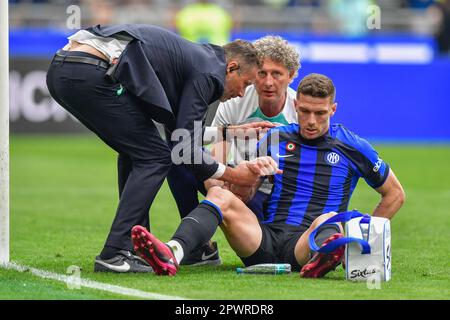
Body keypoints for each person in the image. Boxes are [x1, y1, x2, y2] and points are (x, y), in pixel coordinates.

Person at [131, 73, 406, 277]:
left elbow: (394, 194)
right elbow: (244, 196)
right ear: (296, 106)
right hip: (263, 240)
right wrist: (249, 174)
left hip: (306, 241)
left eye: (320, 113)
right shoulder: (274, 137)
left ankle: (324, 254)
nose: (311, 121)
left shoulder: (352, 146)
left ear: (333, 110)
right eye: (306, 111)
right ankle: (172, 252)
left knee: (330, 220)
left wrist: (365, 239)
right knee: (219, 194)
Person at [46, 24, 264, 273]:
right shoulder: (210, 73)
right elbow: (186, 149)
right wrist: (234, 175)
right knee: (155, 158)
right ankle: (115, 252)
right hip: (88, 71)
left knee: (138, 153)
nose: (241, 93)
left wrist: (226, 132)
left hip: (64, 69)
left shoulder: (199, 61)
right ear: (231, 68)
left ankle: (134, 247)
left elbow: (180, 137)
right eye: (245, 83)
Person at [166, 35, 300, 266]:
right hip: (234, 181)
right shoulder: (235, 100)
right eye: (262, 73)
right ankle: (200, 248)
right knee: (179, 156)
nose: (268, 82)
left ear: (291, 76)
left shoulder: (300, 111)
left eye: (276, 74)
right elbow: (215, 157)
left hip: (275, 194)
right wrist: (220, 190)